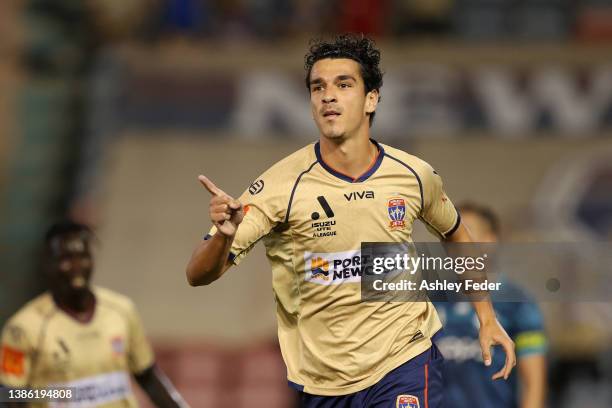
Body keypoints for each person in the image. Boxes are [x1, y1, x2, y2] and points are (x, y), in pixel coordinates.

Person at [186, 34, 516, 407]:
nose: (328, 95)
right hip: (324, 381)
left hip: (404, 359)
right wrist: (223, 236)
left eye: (343, 85)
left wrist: (486, 316)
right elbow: (197, 275)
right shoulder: (279, 186)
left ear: (371, 98)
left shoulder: (413, 174)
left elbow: (455, 234)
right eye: (318, 87)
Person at [0, 221, 188, 408]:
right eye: (66, 258)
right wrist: (58, 393)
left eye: (83, 256)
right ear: (48, 263)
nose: (76, 266)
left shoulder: (122, 310)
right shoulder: (23, 328)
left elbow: (147, 377)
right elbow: (10, 395)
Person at [434, 203, 547, 408]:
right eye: (449, 236)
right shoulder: (432, 299)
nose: (456, 243)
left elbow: (534, 385)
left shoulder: (518, 303)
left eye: (465, 233)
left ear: (490, 241)